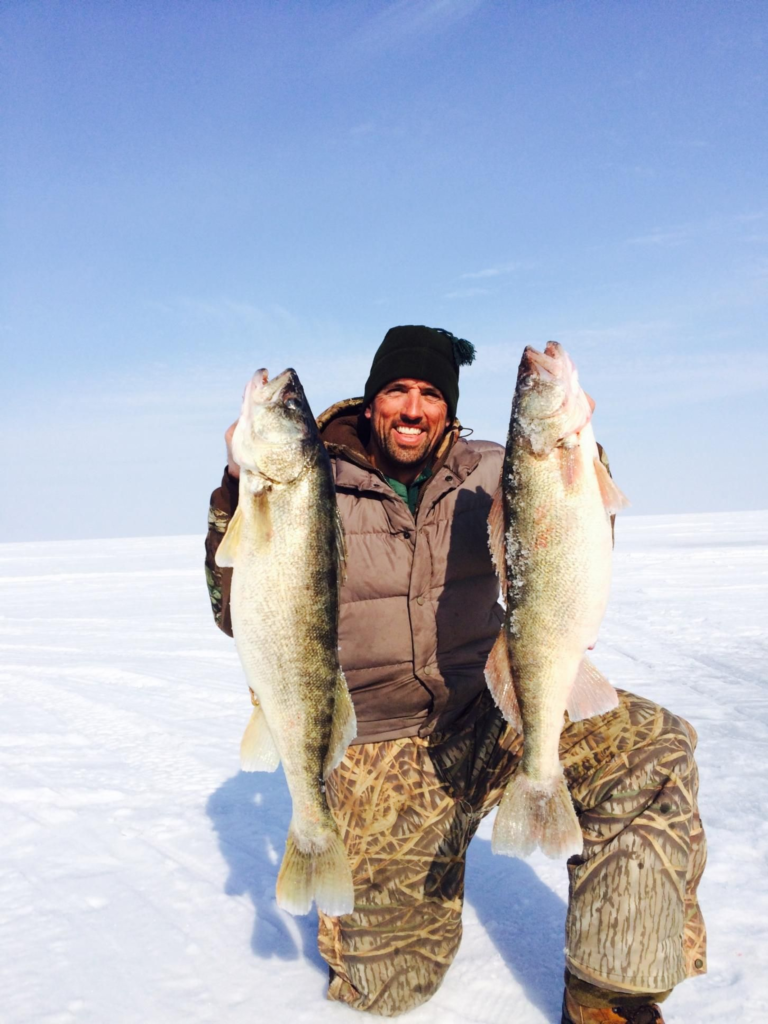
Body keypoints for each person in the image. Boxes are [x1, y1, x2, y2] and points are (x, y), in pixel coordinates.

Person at [204, 326, 706, 1024]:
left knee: (652, 750)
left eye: (431, 394)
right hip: (383, 745)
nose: (413, 408)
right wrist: (235, 488)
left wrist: (583, 453)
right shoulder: (313, 486)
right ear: (372, 400)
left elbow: (575, 545)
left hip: (493, 711)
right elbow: (236, 610)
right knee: (392, 988)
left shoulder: (495, 467)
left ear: (450, 408)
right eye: (398, 391)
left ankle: (609, 996)